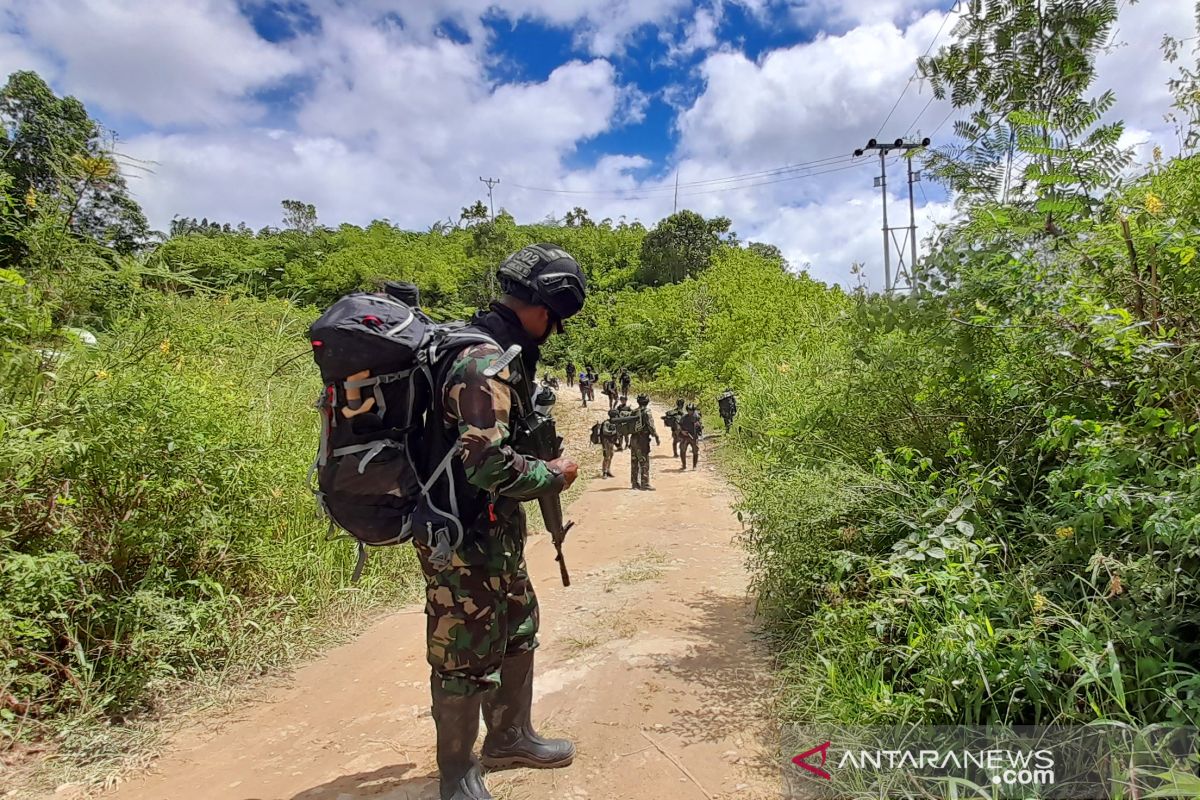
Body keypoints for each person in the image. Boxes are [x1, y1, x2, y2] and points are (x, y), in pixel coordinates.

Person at [413, 243, 586, 800]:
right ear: (539, 306)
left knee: (518, 627)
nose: (552, 331)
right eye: (554, 319)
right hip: (460, 533)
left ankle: (510, 736)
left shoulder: (499, 353)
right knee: (463, 651)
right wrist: (553, 476)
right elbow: (486, 464)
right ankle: (457, 774)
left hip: (494, 532)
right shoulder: (484, 362)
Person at [629, 394, 660, 491]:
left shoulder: (633, 412)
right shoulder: (647, 412)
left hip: (633, 439)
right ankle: (645, 483)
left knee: (634, 461)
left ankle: (634, 483)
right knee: (644, 461)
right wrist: (656, 436)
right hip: (642, 439)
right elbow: (651, 426)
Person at [678, 403, 702, 470]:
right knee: (682, 450)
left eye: (691, 410)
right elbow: (679, 426)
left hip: (693, 437)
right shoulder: (684, 417)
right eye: (688, 410)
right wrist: (682, 431)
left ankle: (694, 466)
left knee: (695, 451)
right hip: (685, 437)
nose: (689, 411)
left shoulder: (697, 417)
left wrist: (698, 427)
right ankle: (684, 465)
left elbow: (700, 428)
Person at [599, 408, 620, 478]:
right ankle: (604, 472)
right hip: (606, 442)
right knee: (606, 457)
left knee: (611, 455)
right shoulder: (606, 423)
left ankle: (608, 470)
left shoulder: (614, 423)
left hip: (611, 442)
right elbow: (605, 432)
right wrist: (613, 432)